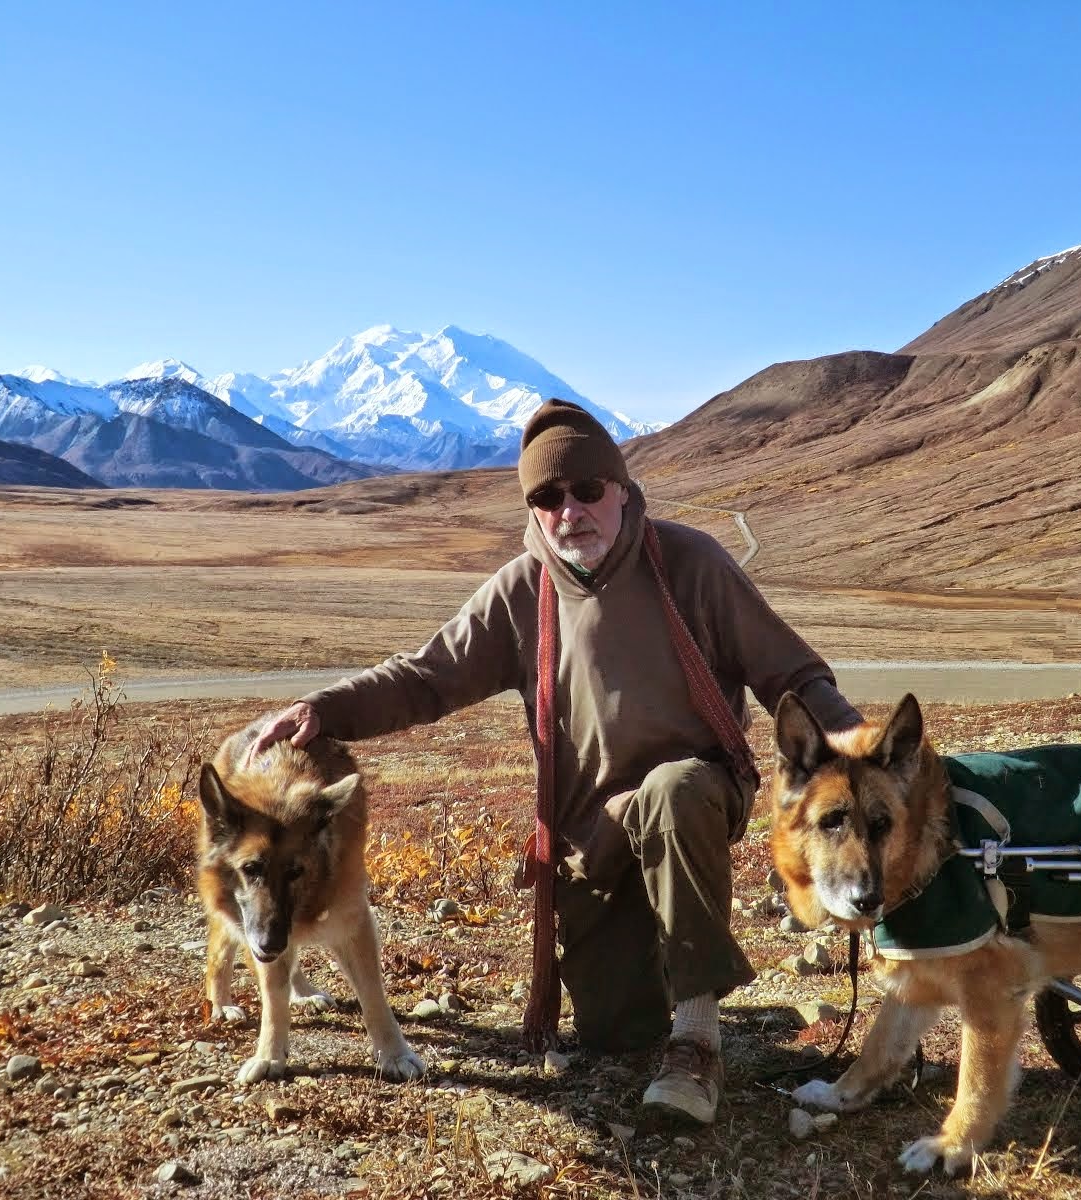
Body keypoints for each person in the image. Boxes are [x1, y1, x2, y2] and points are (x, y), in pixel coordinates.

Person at [249, 398, 860, 1124]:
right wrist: (326, 710)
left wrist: (856, 744)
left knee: (673, 789)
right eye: (547, 496)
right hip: (590, 837)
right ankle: (662, 977)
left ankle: (697, 1038)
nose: (570, 510)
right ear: (533, 509)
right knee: (615, 1034)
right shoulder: (521, 591)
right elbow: (426, 676)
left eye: (587, 490)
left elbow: (790, 674)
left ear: (622, 491)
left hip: (692, 800)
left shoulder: (691, 563)